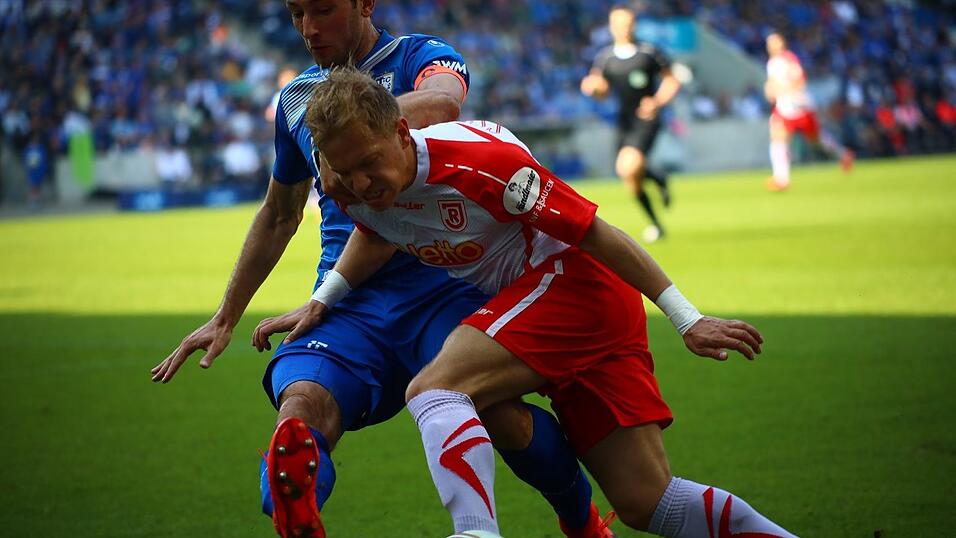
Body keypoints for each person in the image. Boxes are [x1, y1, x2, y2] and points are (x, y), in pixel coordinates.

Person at [260, 65, 796, 537]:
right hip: (558, 308)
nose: (357, 183)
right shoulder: (350, 183)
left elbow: (595, 234)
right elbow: (378, 233)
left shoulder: (483, 162)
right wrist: (324, 300)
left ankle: (476, 533)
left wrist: (687, 318)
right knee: (648, 502)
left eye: (367, 163)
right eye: (342, 171)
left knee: (435, 387)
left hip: (574, 286)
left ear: (403, 131)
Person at [150, 2, 606, 538]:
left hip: (441, 283)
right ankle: (300, 518)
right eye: (297, 13)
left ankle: (582, 522)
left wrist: (351, 129)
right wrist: (226, 316)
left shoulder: (420, 56)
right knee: (301, 409)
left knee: (500, 414)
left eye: (323, 9)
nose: (308, 28)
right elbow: (279, 213)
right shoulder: (296, 101)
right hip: (346, 302)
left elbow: (441, 102)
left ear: (364, 3)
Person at [580, 4, 680, 243]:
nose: (623, 29)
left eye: (627, 24)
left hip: (646, 118)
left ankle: (656, 197)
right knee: (629, 177)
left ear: (633, 25)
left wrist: (657, 101)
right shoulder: (606, 58)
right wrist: (593, 89)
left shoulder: (649, 52)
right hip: (624, 122)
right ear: (612, 27)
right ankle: (657, 202)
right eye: (618, 24)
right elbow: (600, 89)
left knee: (628, 167)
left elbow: (671, 80)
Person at [764, 32, 854, 192]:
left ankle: (843, 154)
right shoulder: (772, 63)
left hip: (800, 107)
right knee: (778, 138)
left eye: (774, 42)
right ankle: (781, 179)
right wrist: (770, 90)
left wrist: (782, 90)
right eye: (769, 43)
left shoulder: (788, 59)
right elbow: (772, 85)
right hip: (783, 109)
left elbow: (800, 81)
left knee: (817, 141)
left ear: (782, 43)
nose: (771, 46)